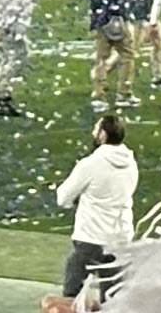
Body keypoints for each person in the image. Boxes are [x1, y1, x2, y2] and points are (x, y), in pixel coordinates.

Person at [53, 114, 138, 298]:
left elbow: (63, 197)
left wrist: (75, 201)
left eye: (96, 128)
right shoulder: (131, 163)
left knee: (71, 290)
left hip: (91, 238)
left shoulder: (90, 164)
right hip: (120, 239)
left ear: (103, 135)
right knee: (112, 298)